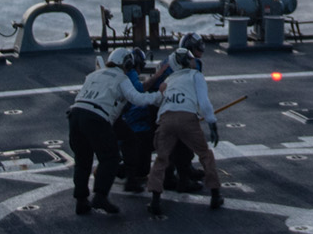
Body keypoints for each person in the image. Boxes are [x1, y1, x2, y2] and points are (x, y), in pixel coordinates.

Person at [67, 47, 161, 216]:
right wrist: (158, 96)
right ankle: (100, 196)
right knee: (110, 157)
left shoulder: (93, 75)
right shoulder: (121, 78)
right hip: (97, 117)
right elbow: (137, 99)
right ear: (127, 63)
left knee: (82, 160)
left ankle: (81, 201)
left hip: (76, 115)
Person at [146, 46, 222, 215]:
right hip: (187, 118)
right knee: (205, 155)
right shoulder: (196, 75)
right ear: (186, 61)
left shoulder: (169, 80)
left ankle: (155, 200)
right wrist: (212, 123)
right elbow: (204, 103)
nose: (193, 60)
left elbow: (158, 100)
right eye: (190, 58)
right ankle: (215, 194)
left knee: (161, 160)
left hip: (166, 119)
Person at [115, 48, 156, 193]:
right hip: (138, 127)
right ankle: (118, 170)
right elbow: (140, 92)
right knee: (142, 170)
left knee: (142, 169)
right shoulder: (131, 75)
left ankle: (119, 169)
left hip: (123, 123)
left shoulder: (119, 75)